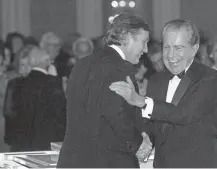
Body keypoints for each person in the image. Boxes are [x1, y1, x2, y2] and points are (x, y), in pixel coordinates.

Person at [110, 19, 217, 168]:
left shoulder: (211, 78)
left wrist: (141, 101)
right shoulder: (156, 80)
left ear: (194, 49)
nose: (171, 55)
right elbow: (154, 123)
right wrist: (144, 141)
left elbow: (184, 114)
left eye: (178, 48)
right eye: (167, 47)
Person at [57, 13, 150, 168]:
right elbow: (116, 115)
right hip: (108, 162)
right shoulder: (120, 68)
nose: (146, 49)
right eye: (144, 42)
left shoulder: (82, 64)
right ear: (127, 37)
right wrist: (138, 143)